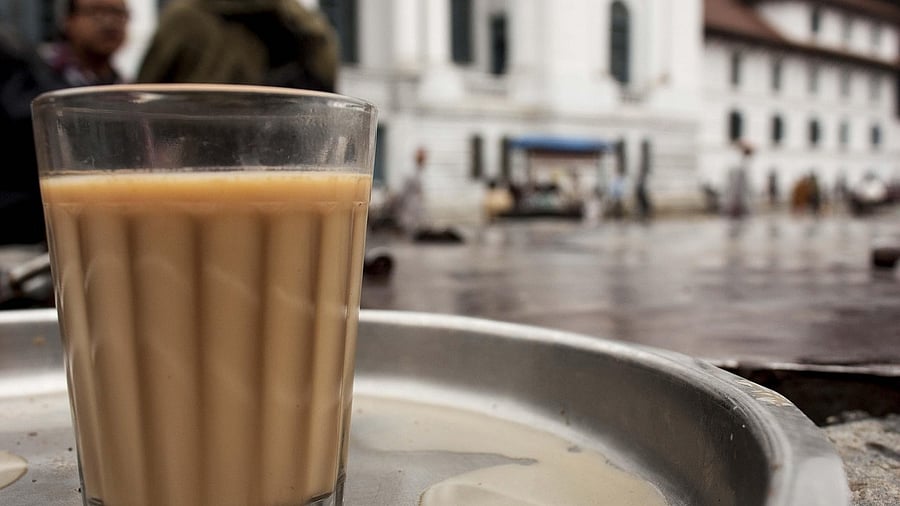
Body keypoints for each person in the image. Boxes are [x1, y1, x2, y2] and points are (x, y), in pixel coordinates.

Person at [137, 0, 338, 92]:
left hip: (194, 149)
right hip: (283, 152)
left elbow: (141, 96)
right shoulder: (308, 24)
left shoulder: (184, 15)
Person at [41, 0, 129, 86]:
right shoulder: (35, 73)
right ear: (68, 20)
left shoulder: (125, 88)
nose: (109, 22)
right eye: (96, 11)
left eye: (117, 12)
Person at [397, 148, 427, 235]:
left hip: (415, 208)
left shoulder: (419, 171)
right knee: (408, 230)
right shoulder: (410, 172)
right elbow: (403, 192)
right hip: (408, 207)